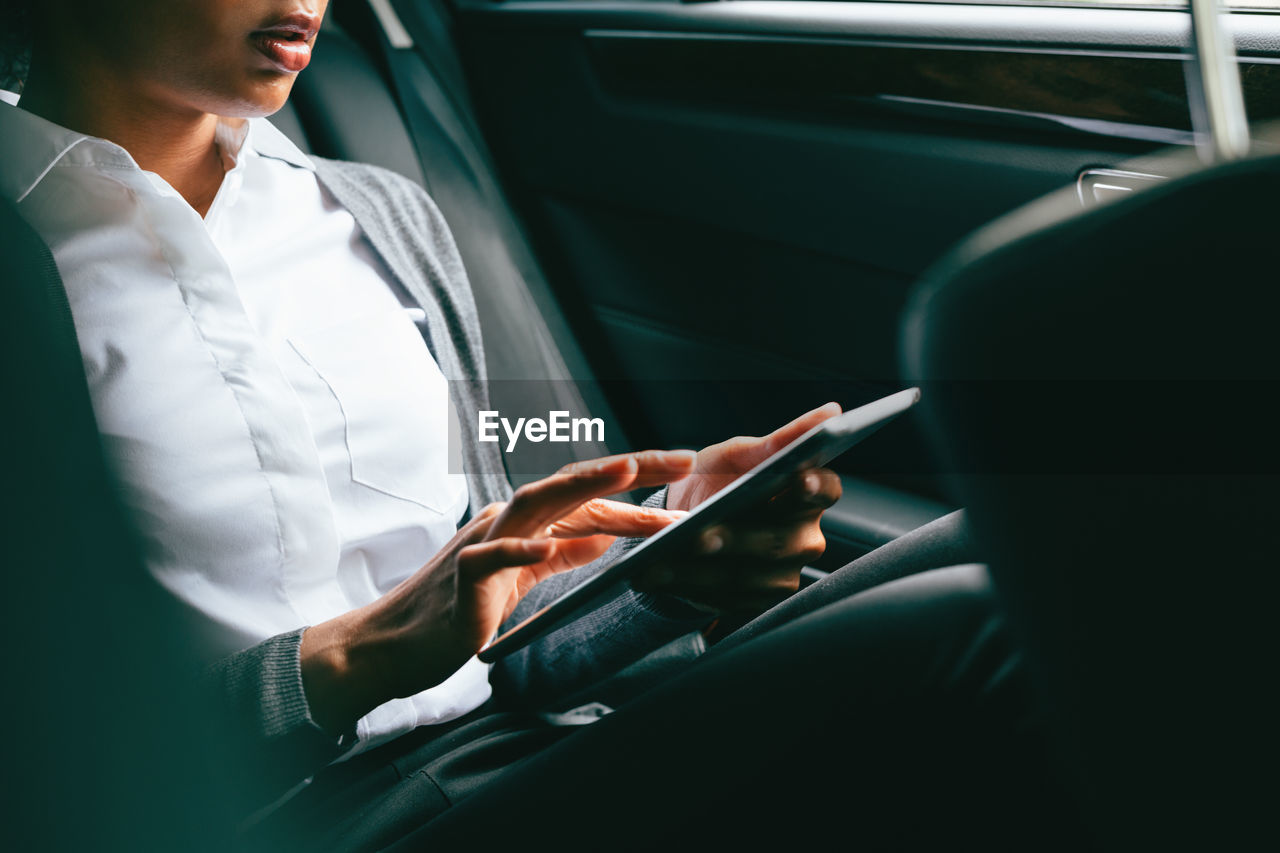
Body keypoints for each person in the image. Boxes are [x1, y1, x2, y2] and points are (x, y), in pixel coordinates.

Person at [0, 1, 1078, 849]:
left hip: (504, 753)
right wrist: (352, 658)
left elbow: (501, 645)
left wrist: (662, 567)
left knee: (1036, 544)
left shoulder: (372, 213)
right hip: (276, 824)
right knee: (976, 630)